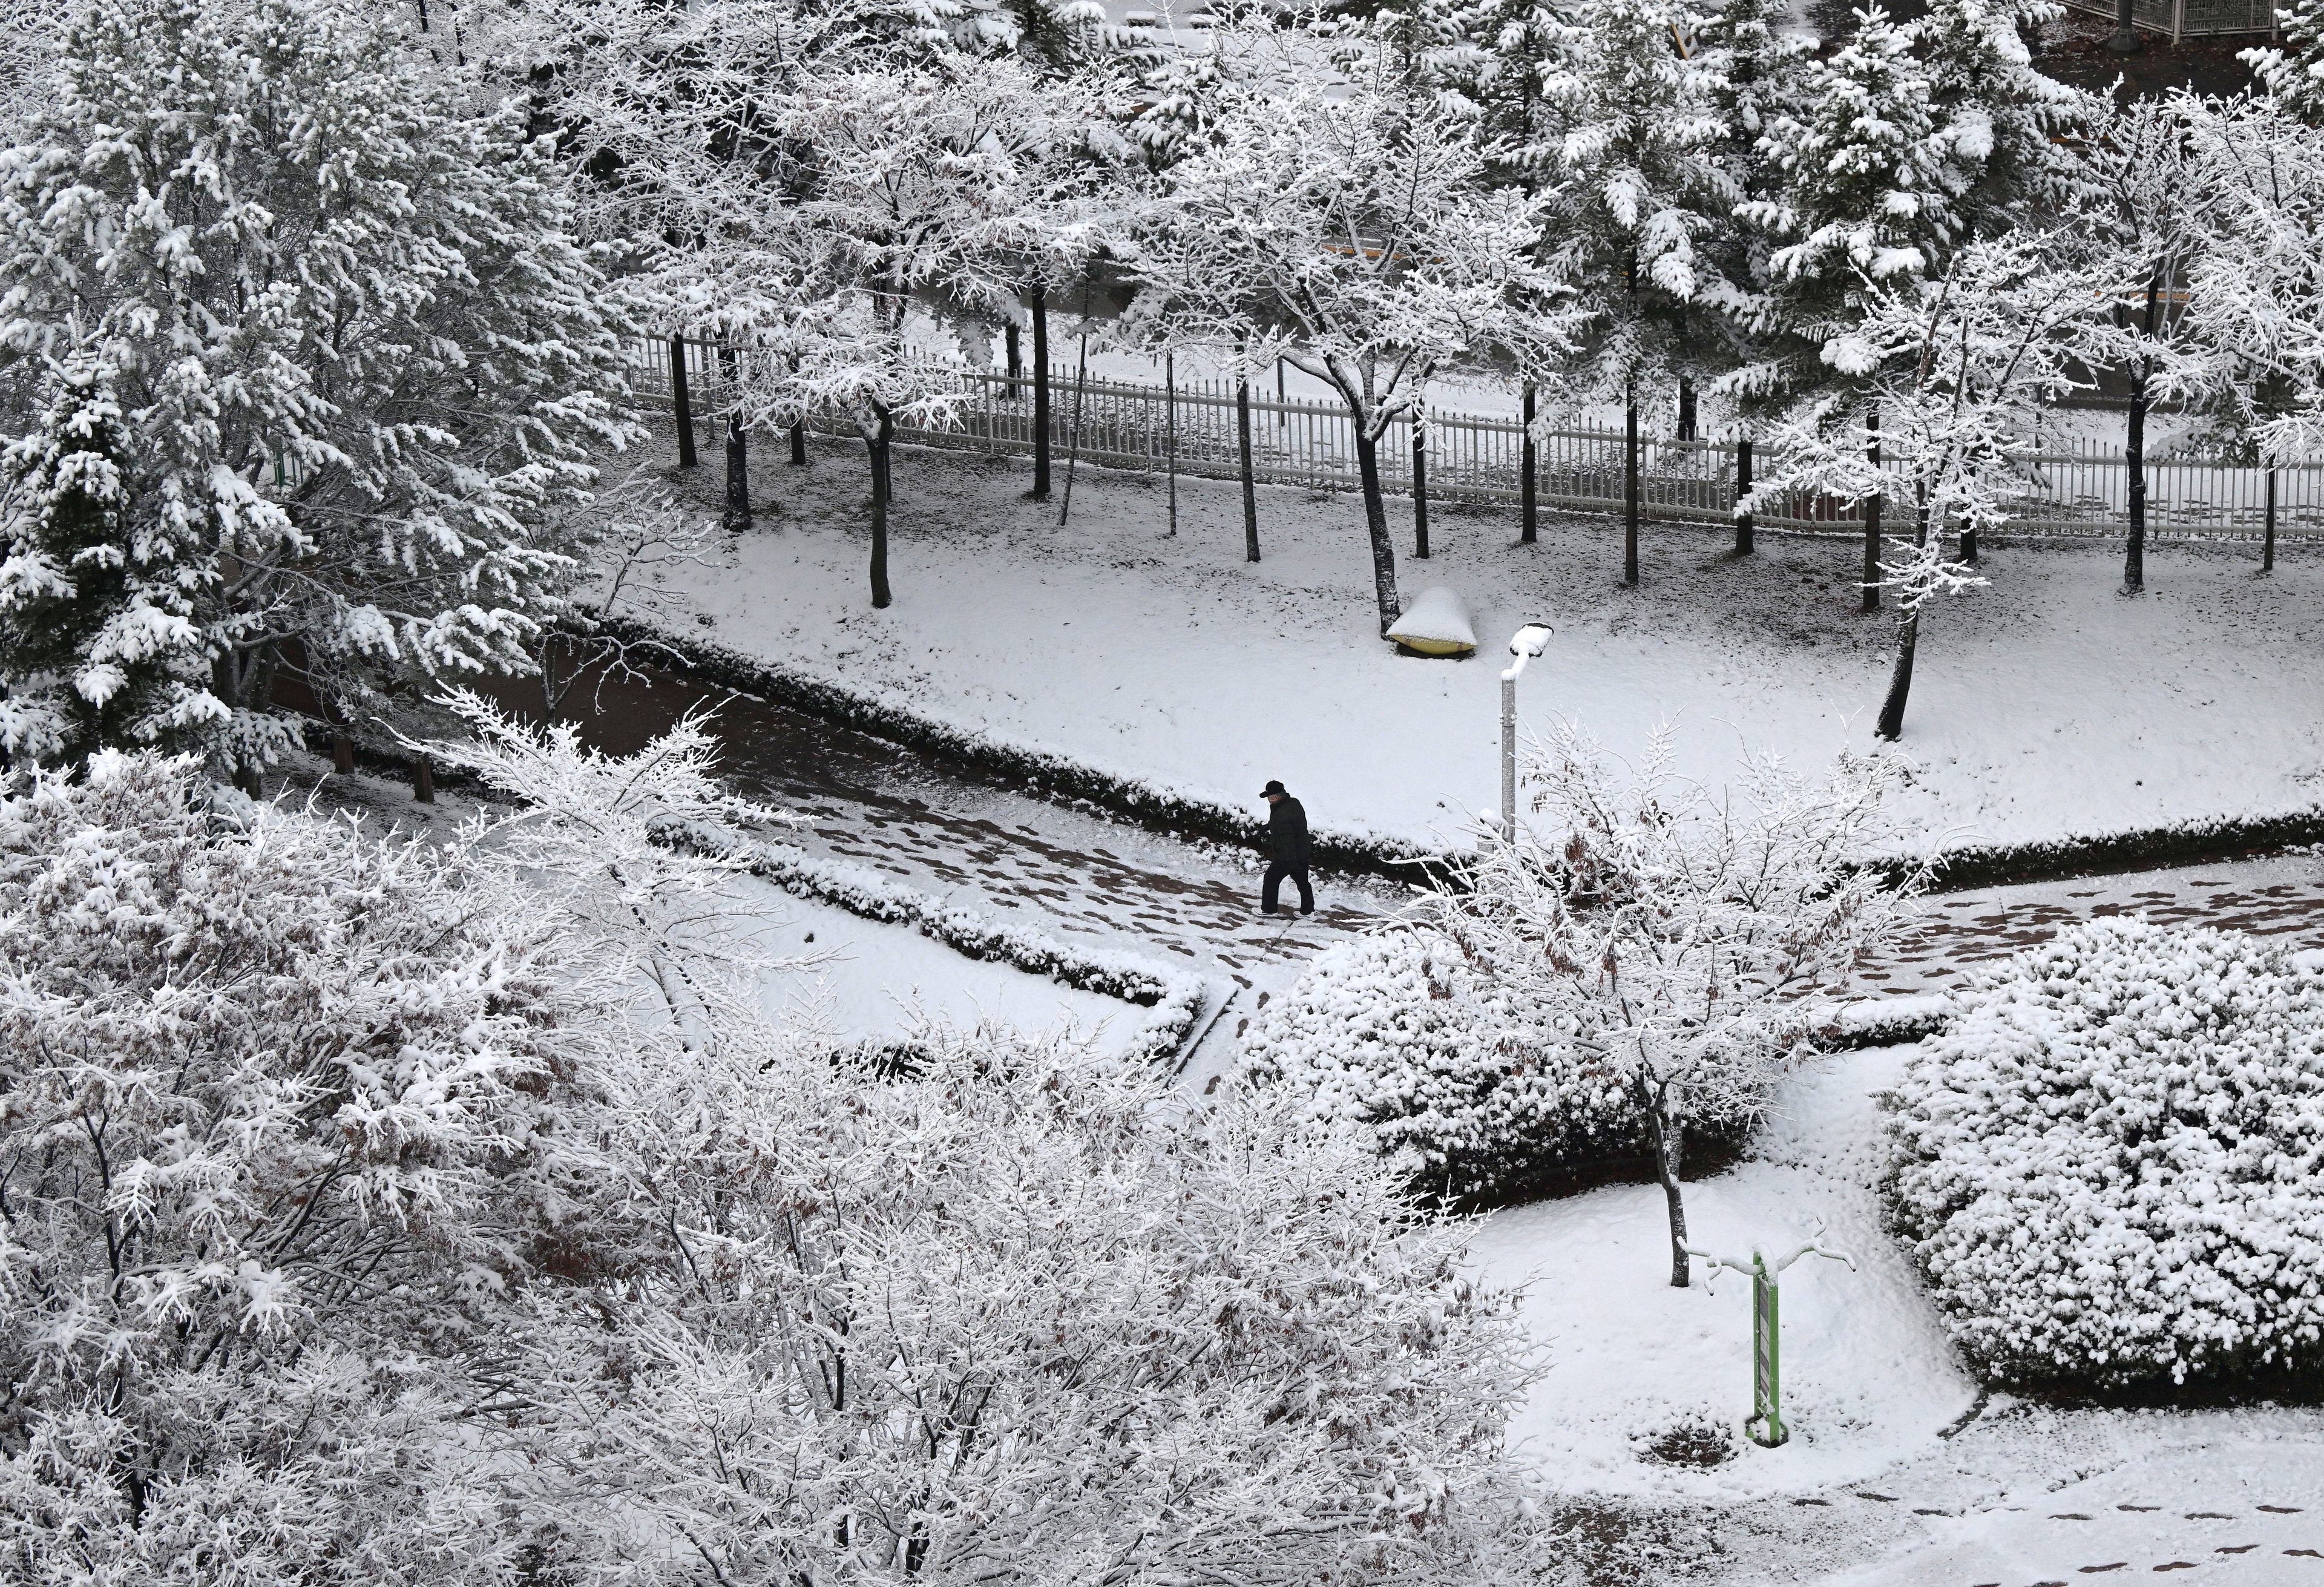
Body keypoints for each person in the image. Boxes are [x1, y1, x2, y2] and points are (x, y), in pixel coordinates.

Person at [1259, 779, 1313, 916]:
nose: (1269, 801)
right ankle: (1308, 912)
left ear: (1276, 797)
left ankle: (1269, 909)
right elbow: (1290, 821)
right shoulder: (1294, 803)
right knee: (1303, 883)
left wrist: (1291, 862)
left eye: (1269, 798)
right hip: (1303, 851)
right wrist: (1269, 826)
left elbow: (1287, 840)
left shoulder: (1281, 815)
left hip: (1287, 856)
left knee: (1271, 879)